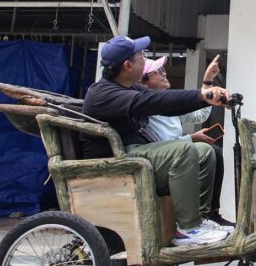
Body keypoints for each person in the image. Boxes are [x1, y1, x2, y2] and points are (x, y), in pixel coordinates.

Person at [81, 35, 231, 246]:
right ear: (127, 65)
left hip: (135, 151)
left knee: (204, 152)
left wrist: (207, 96)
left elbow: (168, 104)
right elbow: (153, 101)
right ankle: (189, 227)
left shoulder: (129, 87)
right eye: (141, 55)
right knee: (182, 150)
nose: (144, 58)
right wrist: (201, 95)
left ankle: (201, 218)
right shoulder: (105, 93)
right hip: (118, 159)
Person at [141, 54, 233, 227]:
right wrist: (191, 138)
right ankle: (201, 217)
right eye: (157, 71)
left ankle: (211, 213)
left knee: (215, 152)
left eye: (163, 69)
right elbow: (160, 143)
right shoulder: (145, 103)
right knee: (208, 152)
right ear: (144, 81)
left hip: (177, 149)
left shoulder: (166, 100)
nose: (164, 73)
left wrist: (207, 82)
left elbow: (199, 115)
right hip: (166, 156)